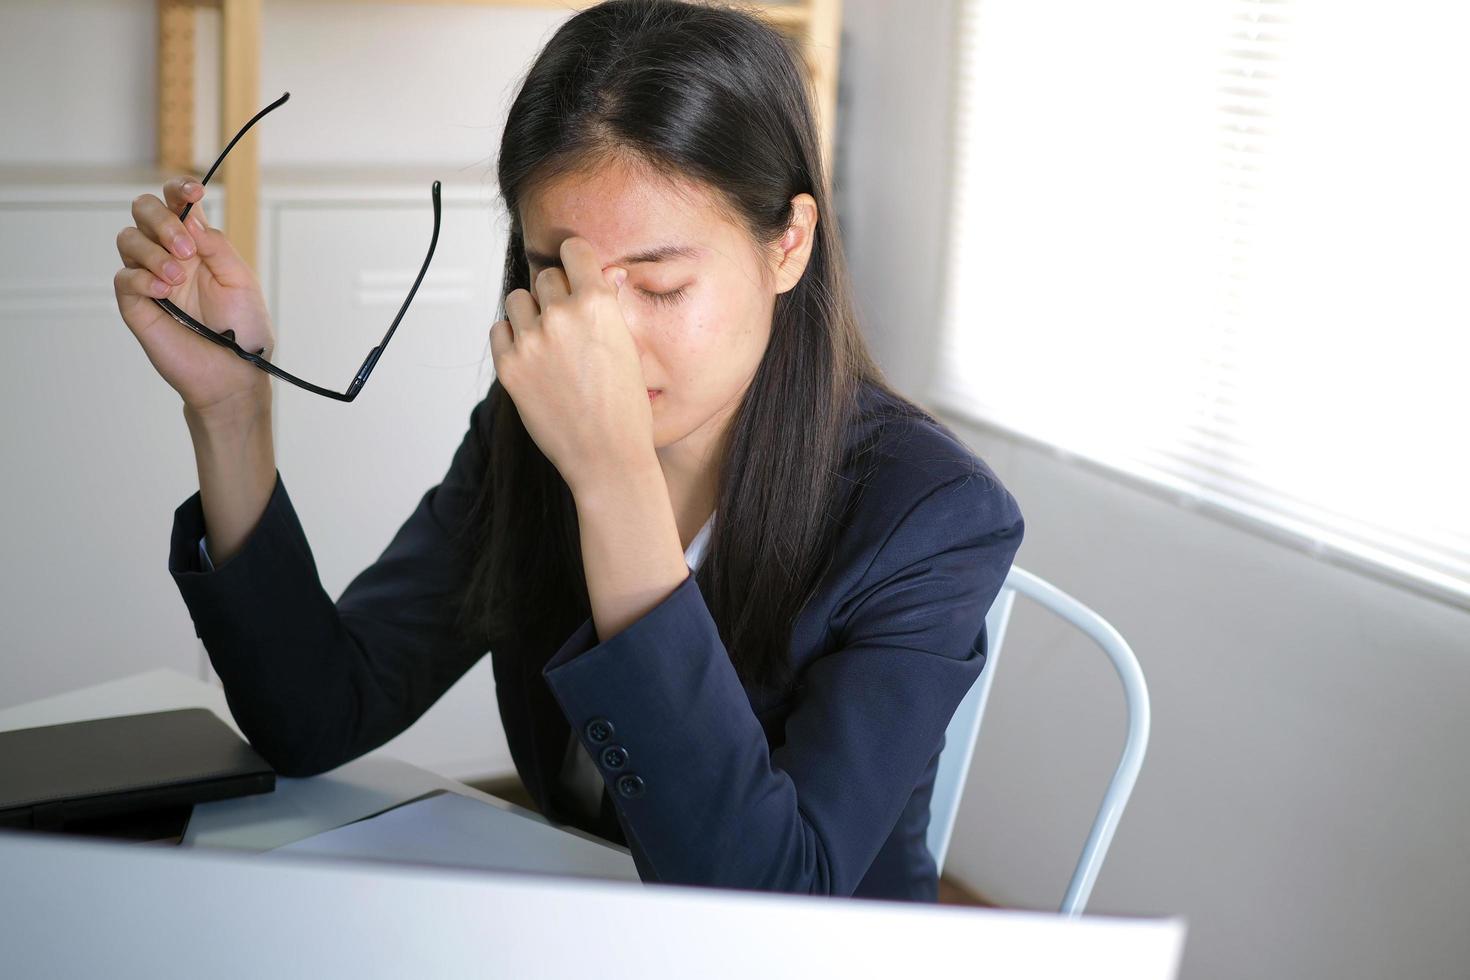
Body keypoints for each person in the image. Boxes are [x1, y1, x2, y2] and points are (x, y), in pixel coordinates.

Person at [110, 0, 1024, 901]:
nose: (604, 338)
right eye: (560, 273)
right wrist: (232, 408)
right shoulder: (528, 431)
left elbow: (768, 900)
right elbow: (315, 716)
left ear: (788, 244)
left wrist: (613, 479)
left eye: (659, 285)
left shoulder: (934, 519)